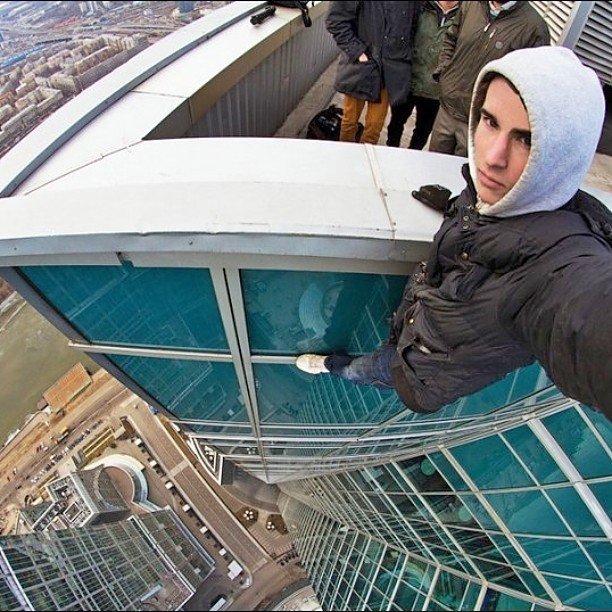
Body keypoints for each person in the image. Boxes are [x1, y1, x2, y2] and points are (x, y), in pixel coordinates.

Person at [296, 46, 612, 419]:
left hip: (420, 378)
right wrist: (454, 206)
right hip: (413, 322)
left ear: (563, 158)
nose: (492, 157)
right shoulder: (491, 193)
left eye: (526, 140)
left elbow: (587, 315)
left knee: (362, 371)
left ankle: (333, 366)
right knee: (383, 349)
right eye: (490, 121)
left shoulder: (560, 264)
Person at [428, 1, 549, 157]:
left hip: (481, 123)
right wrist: (445, 74)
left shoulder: (534, 28)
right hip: (448, 109)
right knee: (433, 163)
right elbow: (451, 39)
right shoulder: (471, 5)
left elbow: (529, 84)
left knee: (464, 169)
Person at [325, 1, 420, 145]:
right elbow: (335, 21)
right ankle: (345, 154)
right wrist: (358, 52)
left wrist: (402, 57)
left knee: (374, 127)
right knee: (349, 122)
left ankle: (367, 156)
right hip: (360, 67)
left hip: (389, 69)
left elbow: (413, 28)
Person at [386, 1, 460, 149]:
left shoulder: (464, 14)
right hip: (409, 79)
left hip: (435, 88)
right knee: (396, 123)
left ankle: (413, 156)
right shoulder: (421, 6)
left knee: (423, 130)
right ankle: (391, 152)